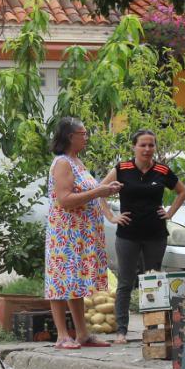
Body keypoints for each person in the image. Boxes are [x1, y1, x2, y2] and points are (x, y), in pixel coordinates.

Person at [100, 129, 185, 341]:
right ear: (134, 147)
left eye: (151, 145)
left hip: (155, 234)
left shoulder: (162, 170)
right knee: (125, 282)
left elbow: (182, 192)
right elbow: (100, 190)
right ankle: (121, 330)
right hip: (127, 234)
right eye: (143, 145)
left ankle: (154, 329)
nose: (147, 149)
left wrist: (169, 213)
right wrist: (111, 217)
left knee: (153, 280)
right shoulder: (122, 169)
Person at [44, 116, 120, 350]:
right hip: (66, 234)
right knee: (60, 282)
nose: (86, 137)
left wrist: (102, 190)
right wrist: (99, 192)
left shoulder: (77, 161)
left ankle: (82, 333)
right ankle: (61, 335)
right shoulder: (63, 163)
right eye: (82, 134)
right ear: (70, 136)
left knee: (74, 284)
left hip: (79, 236)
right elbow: (65, 199)